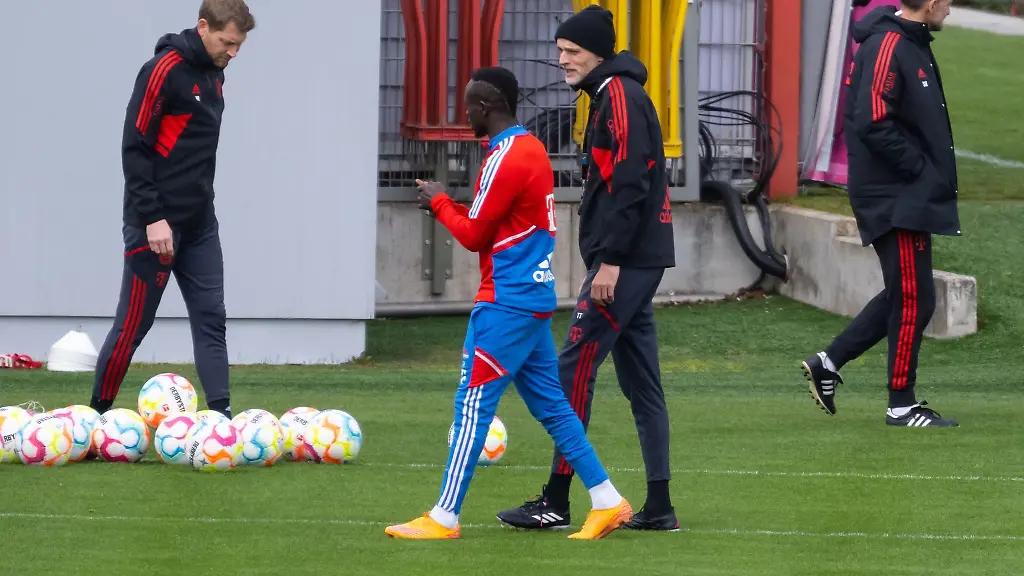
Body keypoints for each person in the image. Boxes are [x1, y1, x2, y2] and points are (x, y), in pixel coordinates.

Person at [384, 66, 632, 541]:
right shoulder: (531, 149)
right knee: (554, 408)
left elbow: (476, 235)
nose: (465, 114)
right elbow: (494, 225)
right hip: (533, 297)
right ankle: (606, 500)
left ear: (484, 107)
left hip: (506, 300)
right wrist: (450, 205)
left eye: (468, 106)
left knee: (472, 406)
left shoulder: (502, 158)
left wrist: (439, 203)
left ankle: (443, 517)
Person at [496, 5, 678, 532]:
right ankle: (660, 505)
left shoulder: (618, 95)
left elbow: (629, 183)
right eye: (559, 51)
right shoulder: (610, 94)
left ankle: (557, 498)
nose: (563, 60)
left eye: (572, 52)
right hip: (638, 259)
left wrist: (611, 261)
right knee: (642, 385)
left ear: (599, 52)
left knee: (571, 370)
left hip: (626, 262)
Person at [88, 0, 255, 422]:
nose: (232, 52)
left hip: (200, 225)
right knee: (133, 326)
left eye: (238, 45)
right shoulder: (163, 70)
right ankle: (95, 416)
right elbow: (135, 146)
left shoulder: (215, 72)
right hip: (155, 226)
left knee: (211, 318)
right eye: (227, 42)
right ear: (203, 26)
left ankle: (221, 417)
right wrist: (151, 217)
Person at [801, 0, 959, 427]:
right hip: (895, 194)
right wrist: (920, 170)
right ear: (928, 3)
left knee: (905, 292)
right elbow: (873, 121)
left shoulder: (909, 41)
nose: (950, 8)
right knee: (914, 297)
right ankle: (901, 405)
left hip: (904, 190)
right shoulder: (889, 43)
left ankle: (828, 362)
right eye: (946, 0)